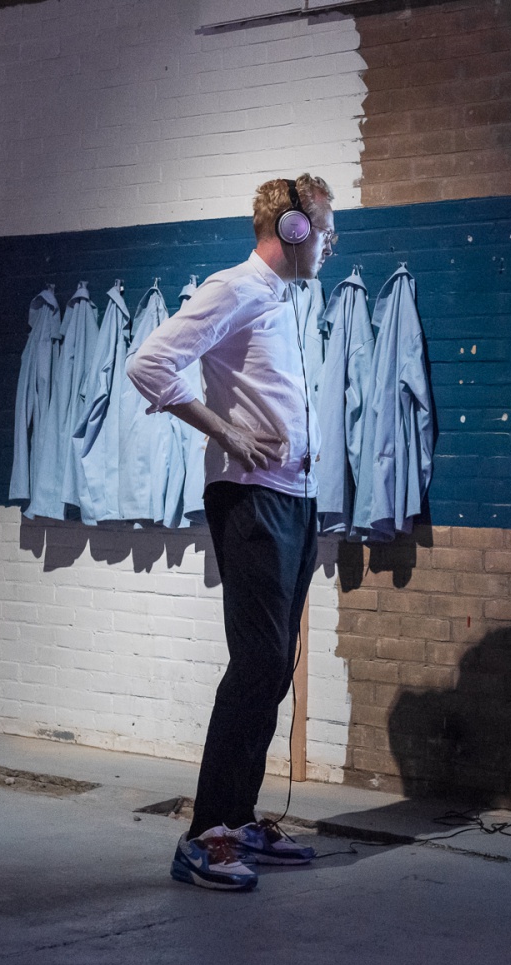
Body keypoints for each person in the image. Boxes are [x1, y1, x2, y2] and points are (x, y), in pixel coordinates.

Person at [126, 174, 337, 891]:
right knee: (256, 663)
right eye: (325, 230)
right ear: (293, 230)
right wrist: (223, 432)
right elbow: (149, 363)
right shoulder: (237, 288)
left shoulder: (282, 301)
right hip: (250, 497)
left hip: (295, 498)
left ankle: (239, 820)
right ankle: (205, 836)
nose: (330, 244)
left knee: (275, 667)